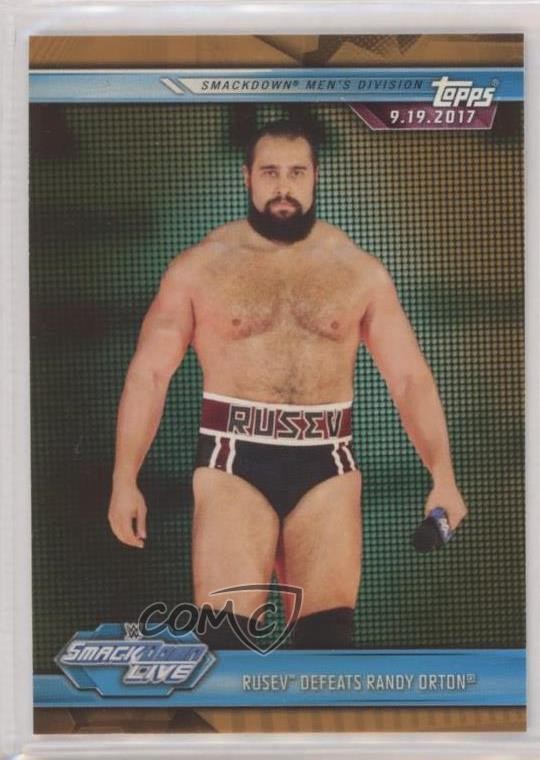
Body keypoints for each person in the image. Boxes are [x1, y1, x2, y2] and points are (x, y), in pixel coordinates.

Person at [108, 118, 468, 649]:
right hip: (233, 462)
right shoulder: (199, 267)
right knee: (226, 647)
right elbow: (149, 373)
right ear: (247, 177)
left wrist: (444, 476)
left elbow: (410, 378)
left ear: (315, 177)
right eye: (270, 172)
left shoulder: (359, 271)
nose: (283, 186)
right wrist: (124, 477)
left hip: (328, 464)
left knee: (328, 648)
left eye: (296, 172)